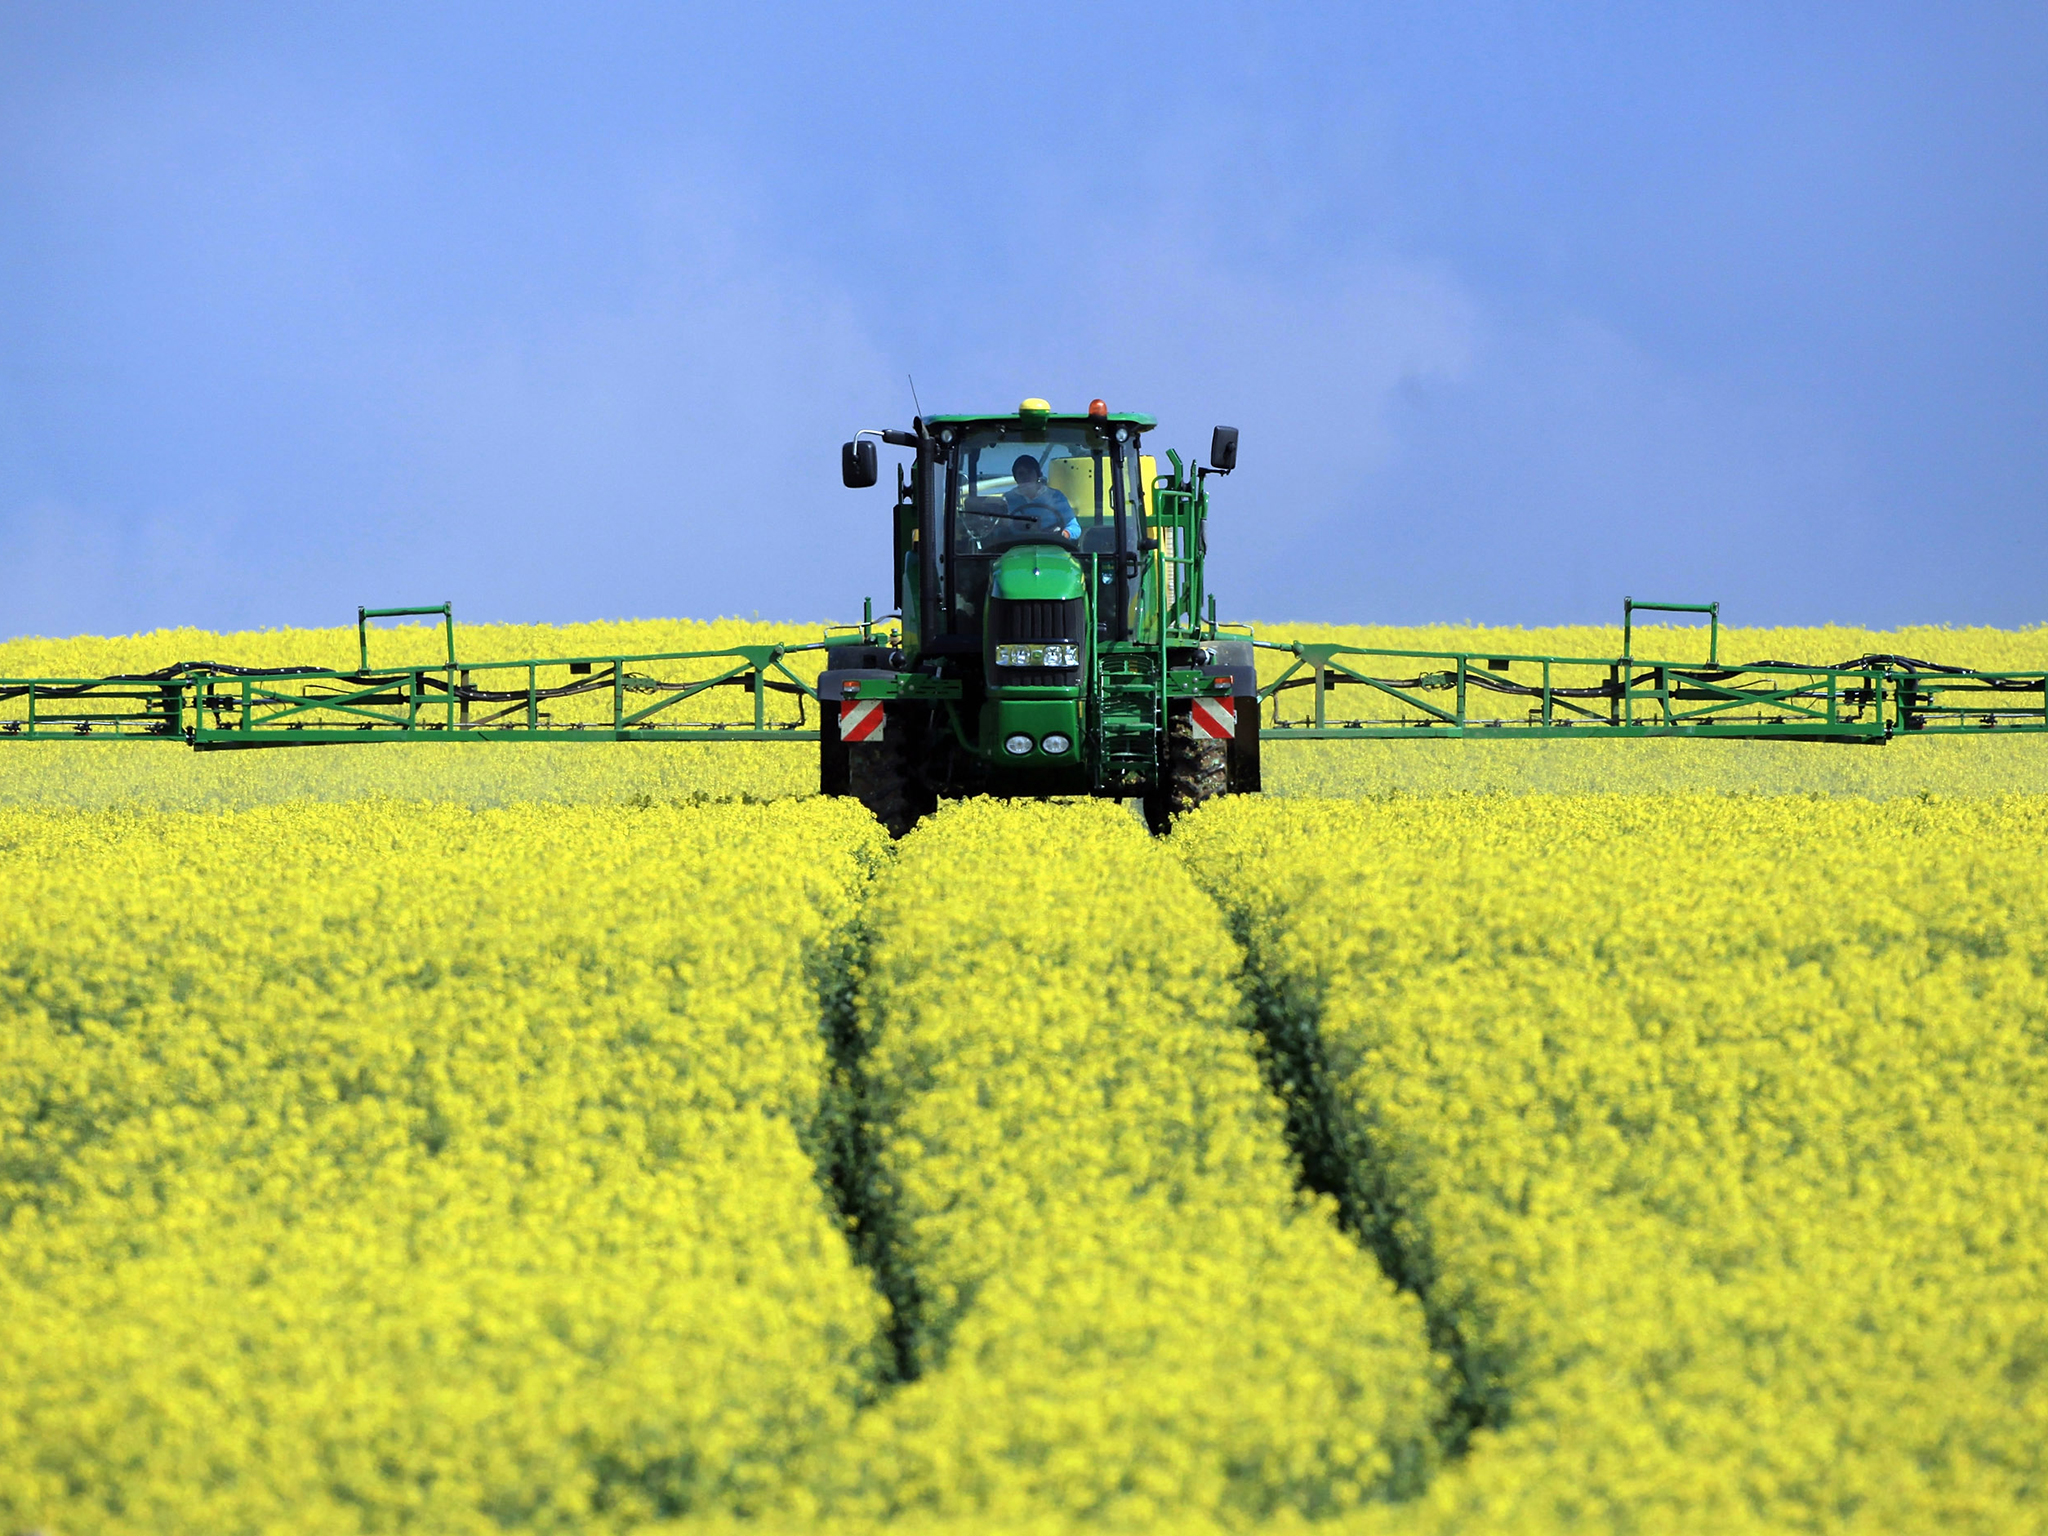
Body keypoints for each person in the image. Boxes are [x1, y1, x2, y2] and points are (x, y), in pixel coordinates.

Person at [1003, 455, 1080, 541]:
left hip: (1052, 545)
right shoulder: (1007, 499)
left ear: (1038, 474)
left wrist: (1063, 534)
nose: (1026, 477)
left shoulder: (1055, 496)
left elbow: (1074, 527)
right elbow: (999, 528)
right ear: (1015, 478)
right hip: (1016, 547)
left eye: (1030, 472)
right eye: (1021, 474)